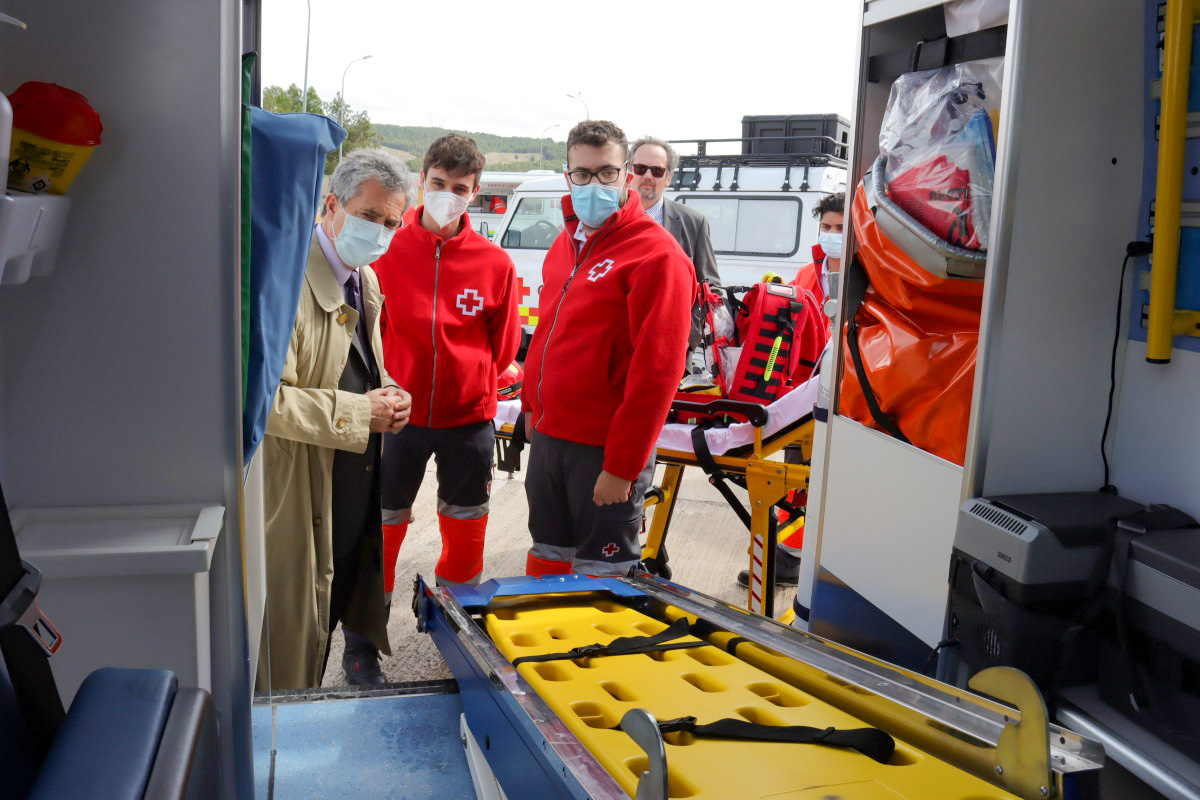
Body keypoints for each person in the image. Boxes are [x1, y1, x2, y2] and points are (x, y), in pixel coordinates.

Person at [258, 148, 414, 691]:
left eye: (392, 223)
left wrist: (390, 395)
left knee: (330, 610)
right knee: (290, 642)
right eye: (369, 216)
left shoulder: (363, 280)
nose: (380, 233)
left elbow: (358, 366)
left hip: (350, 485)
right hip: (301, 490)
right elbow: (264, 403)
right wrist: (360, 412)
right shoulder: (285, 282)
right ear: (331, 205)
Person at [521, 120, 694, 577]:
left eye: (606, 172)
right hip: (551, 440)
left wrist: (622, 466)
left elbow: (658, 373)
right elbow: (546, 333)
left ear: (625, 176)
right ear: (568, 176)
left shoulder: (658, 256)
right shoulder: (565, 245)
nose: (593, 183)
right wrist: (531, 406)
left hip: (603, 450)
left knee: (601, 578)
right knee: (547, 558)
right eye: (582, 173)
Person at [372, 134, 520, 599]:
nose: (447, 195)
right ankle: (369, 623)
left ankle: (457, 618)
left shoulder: (495, 263)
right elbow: (370, 333)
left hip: (468, 421)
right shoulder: (385, 251)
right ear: (421, 180)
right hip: (396, 417)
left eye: (460, 188)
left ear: (474, 193)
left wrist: (470, 383)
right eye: (438, 183)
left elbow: (505, 346)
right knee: (381, 524)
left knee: (466, 527)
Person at [736, 191, 844, 590]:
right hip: (805, 394)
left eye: (840, 228)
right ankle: (787, 560)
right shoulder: (806, 275)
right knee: (796, 481)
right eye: (826, 226)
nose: (832, 234)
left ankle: (829, 564)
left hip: (850, 395)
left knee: (836, 485)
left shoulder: (869, 270)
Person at [627, 136, 719, 347]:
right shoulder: (606, 219)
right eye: (640, 169)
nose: (648, 176)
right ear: (628, 172)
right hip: (617, 347)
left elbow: (710, 289)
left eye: (657, 171)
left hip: (672, 346)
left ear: (668, 178)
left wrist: (689, 337)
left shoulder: (694, 222)